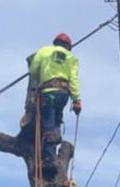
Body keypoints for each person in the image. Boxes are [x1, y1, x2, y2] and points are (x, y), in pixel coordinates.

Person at [20, 33, 82, 168]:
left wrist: (40, 76)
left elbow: (34, 70)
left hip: (48, 93)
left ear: (55, 43)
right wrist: (77, 100)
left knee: (48, 125)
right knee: (56, 123)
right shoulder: (71, 58)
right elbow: (74, 80)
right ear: (68, 46)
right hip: (63, 95)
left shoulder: (44, 51)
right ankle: (53, 148)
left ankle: (50, 160)